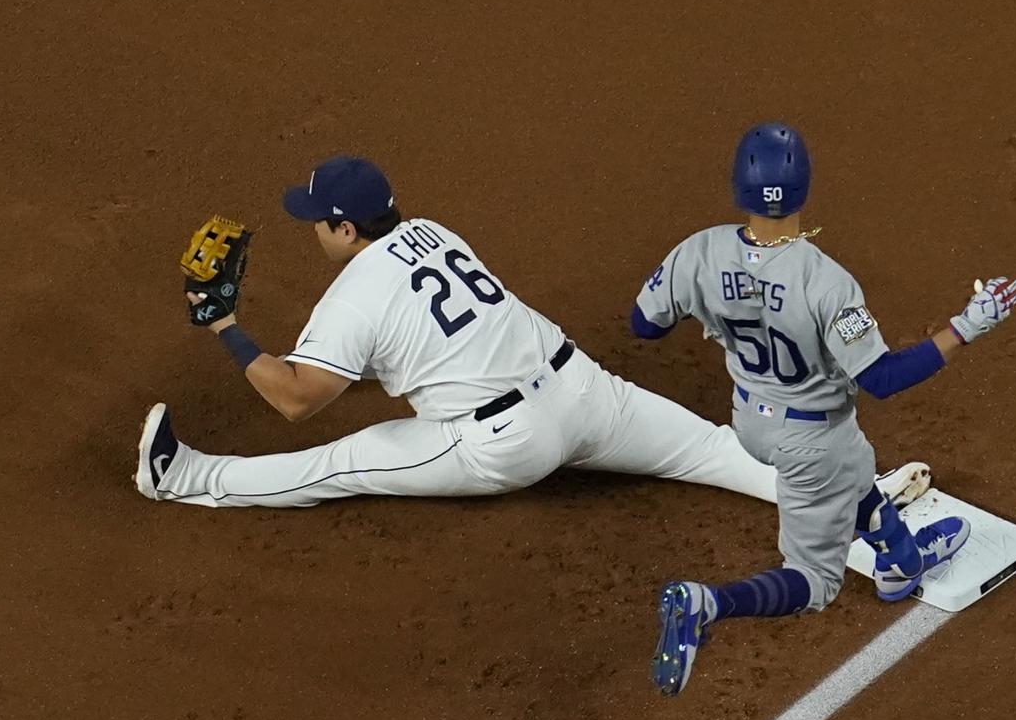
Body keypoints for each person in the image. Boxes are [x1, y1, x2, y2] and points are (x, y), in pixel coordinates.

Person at [135, 155, 794, 509]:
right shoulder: (434, 232)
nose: (310, 230)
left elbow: (298, 400)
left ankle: (183, 478)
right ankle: (866, 515)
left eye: (316, 221)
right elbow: (407, 336)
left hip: (504, 446)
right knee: (713, 450)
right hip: (588, 394)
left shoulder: (350, 302)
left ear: (345, 228)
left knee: (339, 464)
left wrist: (223, 323)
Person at [638, 123, 1016, 697]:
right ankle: (708, 604)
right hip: (810, 442)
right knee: (815, 580)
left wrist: (722, 315)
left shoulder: (697, 251)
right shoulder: (826, 282)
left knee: (853, 466)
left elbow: (644, 324)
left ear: (738, 187)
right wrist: (965, 327)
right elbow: (882, 379)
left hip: (750, 421)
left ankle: (901, 560)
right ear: (805, 188)